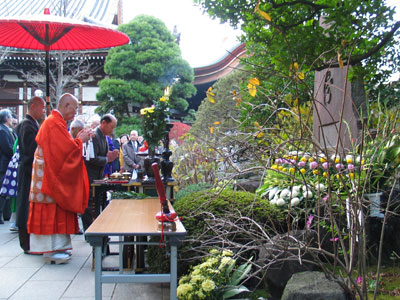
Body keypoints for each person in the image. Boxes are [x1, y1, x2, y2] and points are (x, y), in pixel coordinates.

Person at [27, 93, 91, 264]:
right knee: (52, 210)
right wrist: (79, 141)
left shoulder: (56, 122)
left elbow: (64, 148)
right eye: (75, 108)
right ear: (66, 105)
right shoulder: (53, 123)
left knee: (57, 210)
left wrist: (77, 141)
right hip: (49, 178)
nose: (75, 112)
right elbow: (64, 152)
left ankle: (58, 248)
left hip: (49, 174)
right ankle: (51, 251)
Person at [15, 97, 46, 251]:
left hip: (31, 171)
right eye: (42, 108)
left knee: (28, 206)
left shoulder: (32, 124)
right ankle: (25, 242)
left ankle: (30, 241)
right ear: (33, 106)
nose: (43, 111)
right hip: (28, 171)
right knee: (24, 206)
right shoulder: (26, 125)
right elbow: (31, 152)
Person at [82, 114, 119, 232]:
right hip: (90, 174)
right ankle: (89, 230)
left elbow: (102, 155)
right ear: (103, 123)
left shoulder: (103, 136)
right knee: (89, 204)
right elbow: (91, 158)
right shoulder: (94, 136)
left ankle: (96, 228)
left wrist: (110, 156)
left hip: (99, 175)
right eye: (111, 127)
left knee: (97, 202)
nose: (112, 130)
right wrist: (107, 159)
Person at [0, 109, 17, 224]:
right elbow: (6, 147)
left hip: (8, 163)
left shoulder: (7, 130)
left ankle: (6, 214)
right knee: (3, 189)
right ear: (6, 118)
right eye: (10, 117)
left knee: (6, 190)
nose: (12, 119)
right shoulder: (2, 131)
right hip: (4, 164)